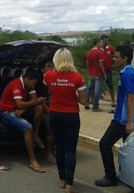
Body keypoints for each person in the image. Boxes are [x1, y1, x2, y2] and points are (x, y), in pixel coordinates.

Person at [95, 45, 134, 187]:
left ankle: (110, 177)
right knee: (127, 149)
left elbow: (131, 97)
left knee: (104, 143)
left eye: (116, 57)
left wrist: (129, 121)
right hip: (130, 118)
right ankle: (126, 176)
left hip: (123, 120)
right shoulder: (131, 72)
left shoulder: (127, 74)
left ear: (125, 58)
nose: (113, 59)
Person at [44, 48, 86, 193]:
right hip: (71, 116)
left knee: (59, 148)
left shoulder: (48, 75)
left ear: (56, 59)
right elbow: (83, 101)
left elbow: (48, 89)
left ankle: (61, 179)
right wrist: (72, 94)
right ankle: (70, 184)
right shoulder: (78, 77)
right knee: (70, 150)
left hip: (55, 114)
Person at [0, 67, 47, 173]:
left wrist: (23, 108)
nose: (34, 85)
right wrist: (23, 106)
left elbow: (34, 98)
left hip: (18, 109)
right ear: (27, 79)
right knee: (28, 127)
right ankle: (33, 161)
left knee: (40, 108)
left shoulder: (28, 84)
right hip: (7, 112)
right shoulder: (17, 84)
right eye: (33, 83)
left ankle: (35, 134)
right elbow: (20, 103)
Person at [85, 38, 106, 111]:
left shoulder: (89, 52)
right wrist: (104, 73)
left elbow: (87, 63)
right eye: (101, 42)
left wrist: (89, 71)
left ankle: (86, 103)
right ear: (97, 43)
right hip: (98, 74)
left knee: (89, 88)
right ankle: (95, 107)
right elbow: (100, 64)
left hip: (91, 74)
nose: (102, 44)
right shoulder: (99, 52)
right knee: (97, 90)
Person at [101, 35, 116, 108]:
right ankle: (93, 99)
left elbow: (115, 55)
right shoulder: (98, 48)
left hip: (108, 70)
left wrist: (113, 63)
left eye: (107, 41)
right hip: (99, 70)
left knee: (110, 85)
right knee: (95, 85)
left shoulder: (110, 48)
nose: (106, 42)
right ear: (101, 40)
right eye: (105, 41)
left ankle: (113, 101)